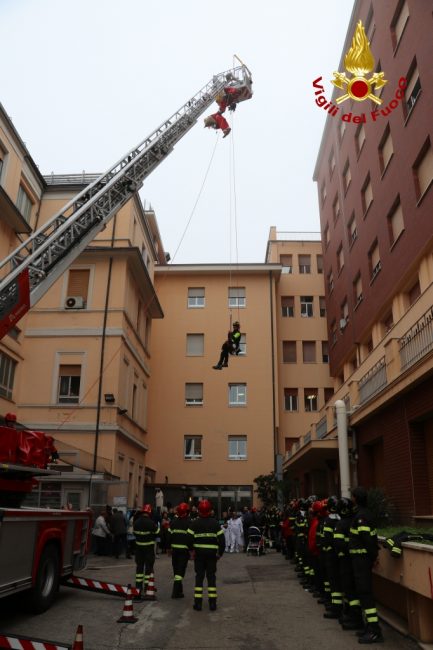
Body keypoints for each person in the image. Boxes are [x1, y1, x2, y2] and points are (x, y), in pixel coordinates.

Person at [349, 486, 383, 644]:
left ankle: (375, 631)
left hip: (362, 561)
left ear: (356, 498)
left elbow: (368, 540)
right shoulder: (362, 514)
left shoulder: (361, 516)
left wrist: (373, 557)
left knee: (366, 594)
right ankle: (370, 627)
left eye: (352, 496)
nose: (351, 499)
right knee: (363, 594)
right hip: (361, 561)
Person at [188, 499, 225, 611]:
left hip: (199, 555)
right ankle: (212, 603)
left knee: (199, 578)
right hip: (212, 556)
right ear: (210, 511)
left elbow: (188, 539)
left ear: (199, 510)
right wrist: (220, 554)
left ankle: (198, 603)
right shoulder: (215, 524)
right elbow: (222, 541)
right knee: (211, 578)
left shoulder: (194, 523)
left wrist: (192, 551)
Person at [133, 504, 160, 600]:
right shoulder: (151, 523)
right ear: (149, 512)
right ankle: (147, 587)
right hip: (148, 549)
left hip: (138, 549)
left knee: (139, 568)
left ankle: (138, 587)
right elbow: (157, 533)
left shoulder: (136, 522)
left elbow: (134, 533)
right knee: (148, 568)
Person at [168, 502, 191, 598]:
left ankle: (179, 591)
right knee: (180, 572)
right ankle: (175, 592)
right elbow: (191, 538)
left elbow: (169, 536)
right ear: (186, 512)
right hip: (184, 551)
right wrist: (192, 549)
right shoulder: (189, 522)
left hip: (174, 550)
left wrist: (168, 548)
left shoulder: (173, 522)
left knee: (176, 570)